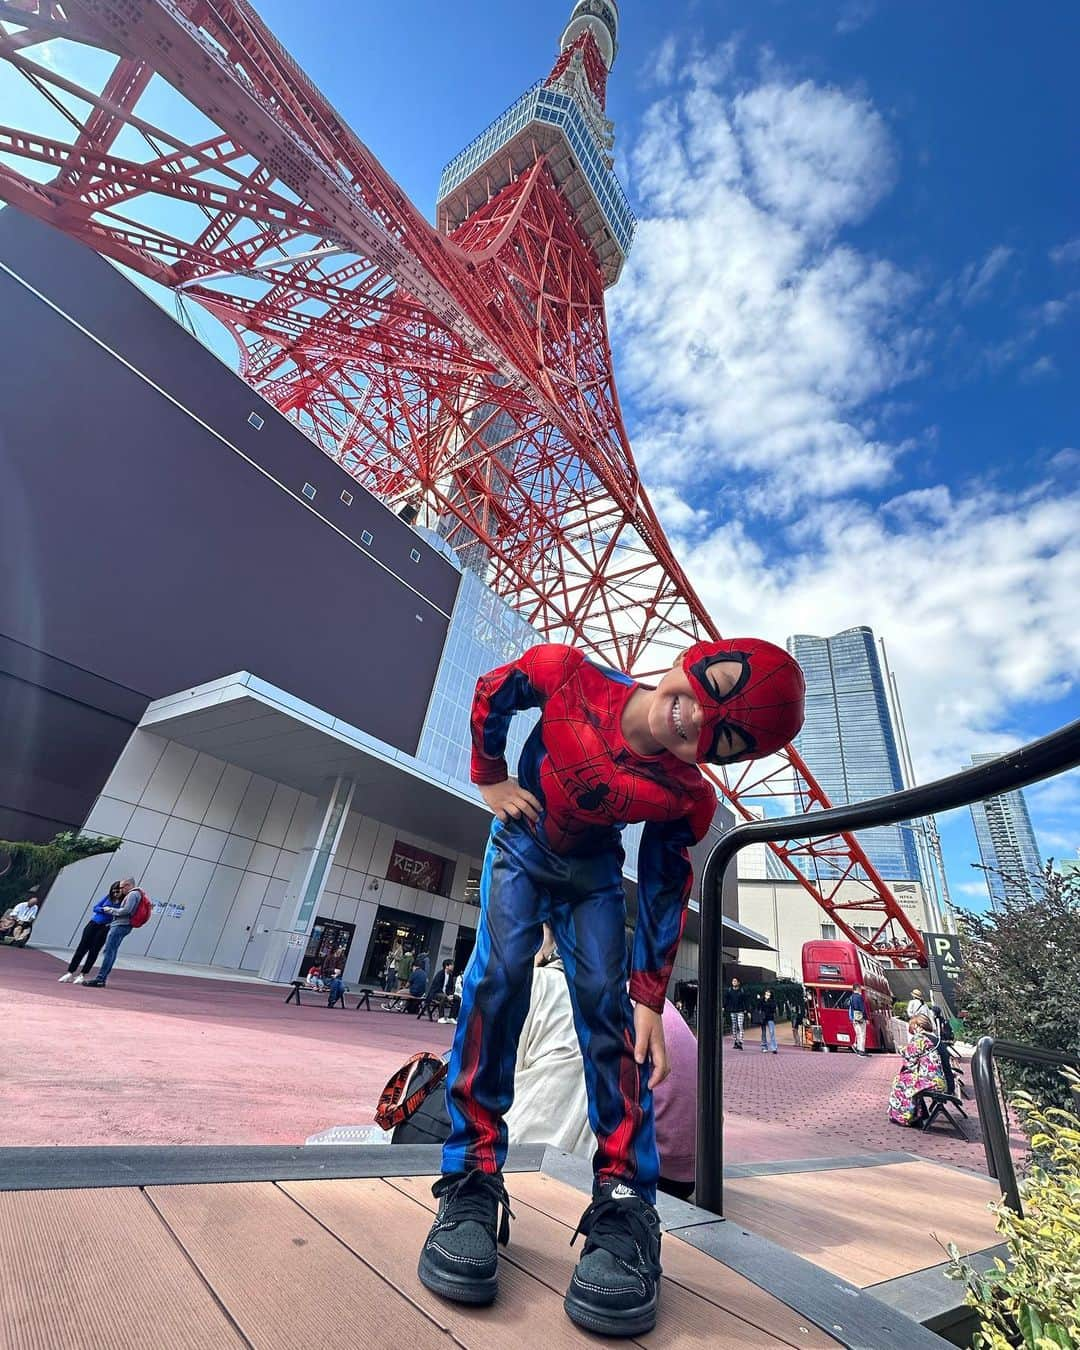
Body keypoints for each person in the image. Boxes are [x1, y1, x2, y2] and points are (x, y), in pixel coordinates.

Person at [415, 637, 805, 1336]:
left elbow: (664, 880)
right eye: (714, 686)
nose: (699, 723)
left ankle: (625, 1203)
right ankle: (471, 1177)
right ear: (697, 656)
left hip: (592, 880)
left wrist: (650, 995)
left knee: (608, 1017)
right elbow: (493, 690)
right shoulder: (567, 674)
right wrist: (490, 778)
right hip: (520, 848)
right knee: (497, 980)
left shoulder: (685, 795)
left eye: (726, 739)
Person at [83, 877, 143, 987]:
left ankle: (100, 978)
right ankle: (102, 977)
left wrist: (109, 910)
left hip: (120, 925)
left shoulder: (133, 894)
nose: (120, 890)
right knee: (112, 951)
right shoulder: (138, 894)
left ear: (128, 885)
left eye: (121, 887)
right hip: (123, 925)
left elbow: (126, 910)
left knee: (109, 951)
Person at [888, 1015, 947, 1126]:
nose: (913, 1031)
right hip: (942, 1080)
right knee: (910, 1081)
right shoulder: (935, 1038)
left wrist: (900, 1049)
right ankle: (920, 1113)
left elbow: (910, 1058)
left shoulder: (920, 1038)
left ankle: (906, 1117)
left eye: (913, 1028)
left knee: (900, 1081)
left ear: (917, 1026)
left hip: (932, 1081)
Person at [58, 883, 122, 982]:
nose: (115, 893)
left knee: (94, 950)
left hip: (105, 927)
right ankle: (70, 972)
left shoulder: (123, 902)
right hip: (93, 923)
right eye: (113, 890)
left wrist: (112, 911)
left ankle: (82, 974)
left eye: (117, 891)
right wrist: (103, 910)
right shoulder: (108, 897)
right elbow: (95, 907)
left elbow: (121, 914)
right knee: (82, 947)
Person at [724, 977, 748, 1050]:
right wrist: (724, 1007)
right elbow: (726, 1000)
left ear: (738, 983)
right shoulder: (729, 990)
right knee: (734, 1026)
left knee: (740, 1026)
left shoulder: (741, 991)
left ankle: (740, 1041)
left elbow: (745, 1000)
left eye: (735, 981)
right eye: (733, 981)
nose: (734, 982)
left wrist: (746, 1009)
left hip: (740, 1010)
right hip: (732, 1011)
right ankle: (735, 1041)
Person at [756, 988, 778, 1054]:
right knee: (763, 1033)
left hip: (770, 1017)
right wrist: (759, 999)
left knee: (772, 1032)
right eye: (766, 993)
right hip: (763, 1018)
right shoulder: (762, 1000)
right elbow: (758, 1007)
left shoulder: (772, 1001)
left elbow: (773, 1008)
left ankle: (774, 1047)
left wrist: (768, 1000)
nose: (767, 994)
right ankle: (764, 1046)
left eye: (769, 993)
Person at [848, 984, 868, 1056]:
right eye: (860, 988)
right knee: (862, 1034)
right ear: (857, 989)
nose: (861, 990)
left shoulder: (851, 997)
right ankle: (861, 1050)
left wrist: (852, 1018)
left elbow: (851, 1008)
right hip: (861, 1018)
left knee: (858, 1034)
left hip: (854, 1018)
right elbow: (863, 1008)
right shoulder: (859, 997)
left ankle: (859, 1050)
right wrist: (866, 1018)